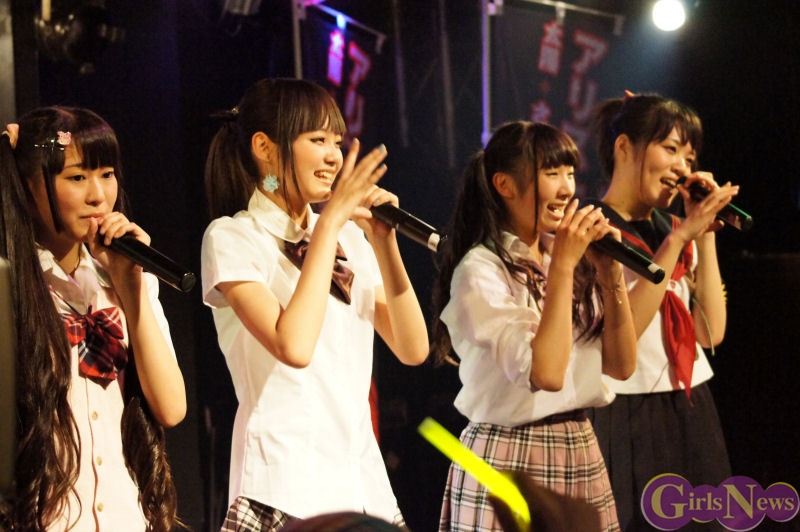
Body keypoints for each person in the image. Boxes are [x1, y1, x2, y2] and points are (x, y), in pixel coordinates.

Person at [200, 77, 429, 531]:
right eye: (317, 140)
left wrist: (383, 242)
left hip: (363, 485)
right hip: (283, 487)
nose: (333, 157)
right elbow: (294, 346)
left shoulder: (348, 238)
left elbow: (413, 348)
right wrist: (330, 225)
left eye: (337, 143)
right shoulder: (233, 237)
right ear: (264, 148)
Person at [431, 120, 638, 532]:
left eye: (570, 173)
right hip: (508, 454)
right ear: (505, 185)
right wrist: (562, 266)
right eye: (551, 173)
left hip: (579, 444)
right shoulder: (480, 270)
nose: (566, 188)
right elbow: (545, 374)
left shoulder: (569, 260)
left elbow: (621, 366)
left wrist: (610, 272)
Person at [0, 107, 187, 531]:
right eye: (77, 177)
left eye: (106, 174)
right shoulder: (11, 289)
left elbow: (171, 408)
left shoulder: (126, 281)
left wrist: (131, 290)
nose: (98, 195)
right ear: (28, 185)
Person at [588, 92, 734, 531]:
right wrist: (678, 240)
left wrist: (703, 235)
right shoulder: (592, 228)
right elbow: (622, 336)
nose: (682, 168)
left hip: (690, 404)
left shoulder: (674, 228)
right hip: (624, 411)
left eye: (689, 157)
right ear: (624, 147)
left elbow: (711, 333)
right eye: (670, 149)